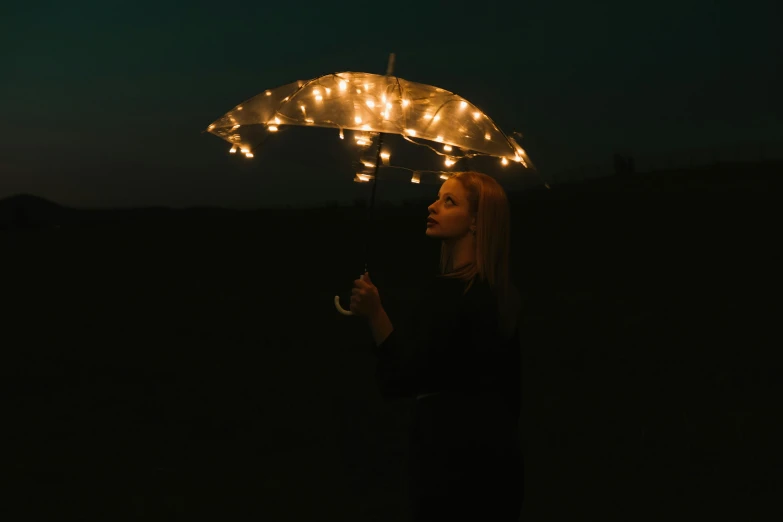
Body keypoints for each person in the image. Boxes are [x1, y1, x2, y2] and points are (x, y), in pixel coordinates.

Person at [350, 171, 524, 521]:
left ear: (477, 221)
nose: (432, 206)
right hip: (497, 468)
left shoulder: (452, 293)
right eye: (437, 197)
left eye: (450, 201)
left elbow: (400, 379)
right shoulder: (499, 293)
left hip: (449, 467)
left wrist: (375, 313)